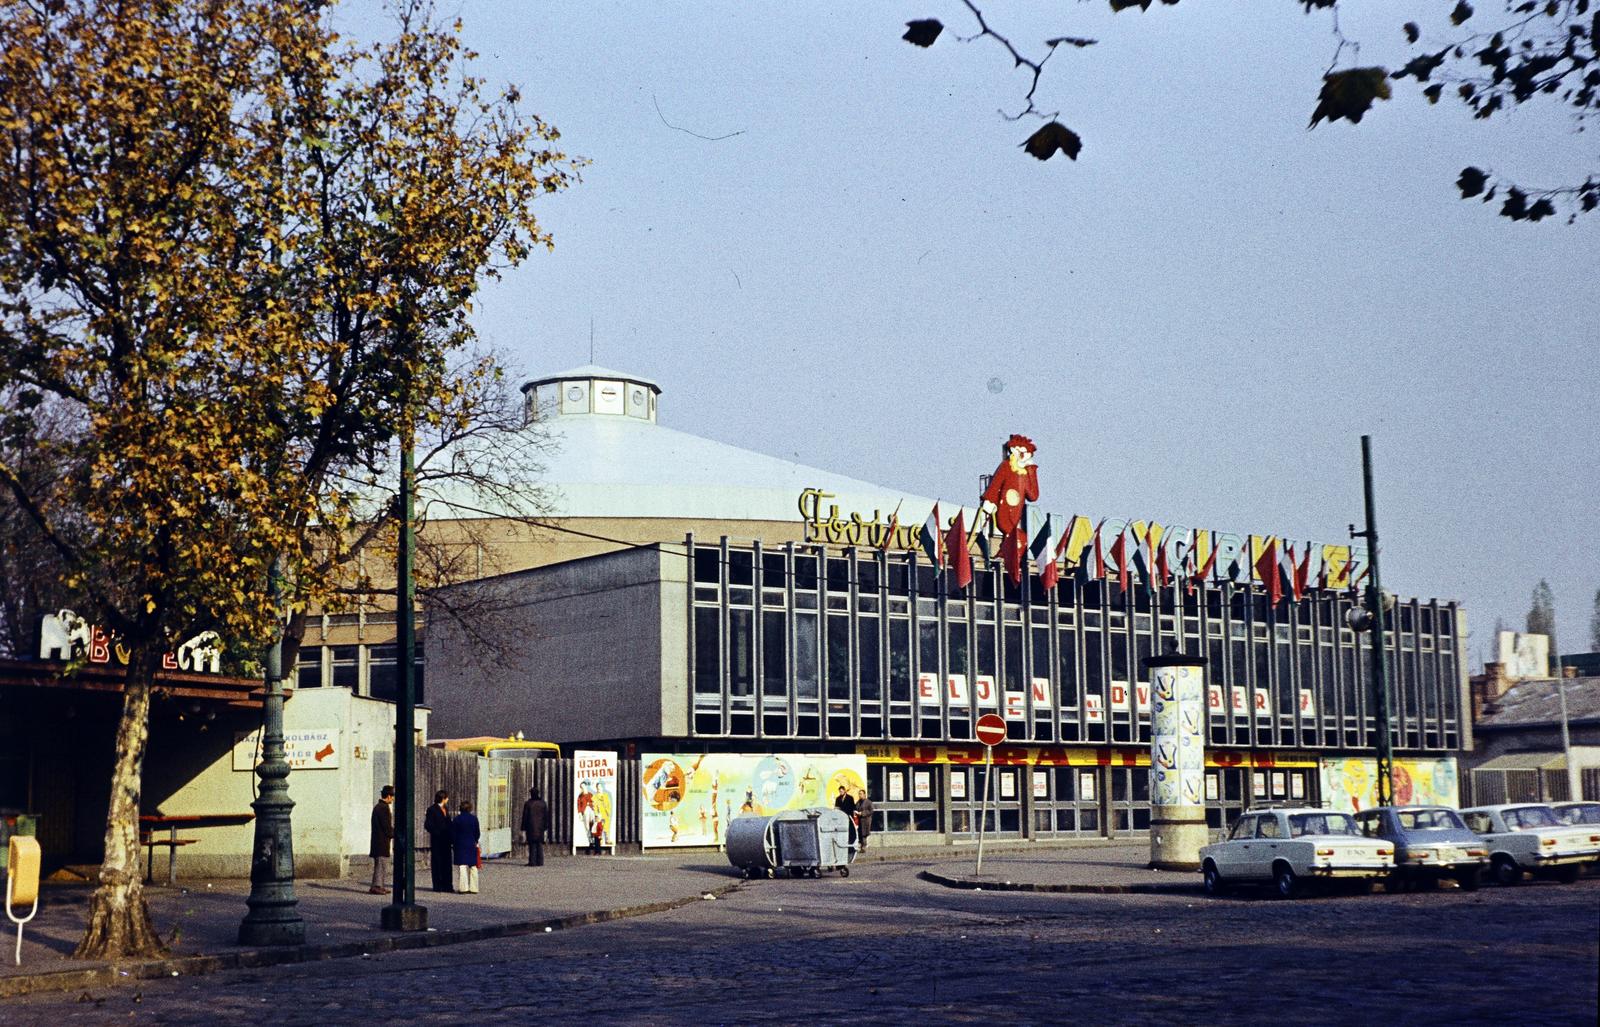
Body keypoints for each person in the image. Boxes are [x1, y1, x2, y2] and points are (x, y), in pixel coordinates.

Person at [368, 784, 395, 894]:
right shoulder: (383, 808)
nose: (393, 799)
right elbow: (386, 827)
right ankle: (377, 886)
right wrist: (394, 833)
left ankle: (380, 885)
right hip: (381, 841)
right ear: (388, 796)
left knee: (381, 864)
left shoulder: (379, 807)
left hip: (378, 841)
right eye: (392, 796)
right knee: (381, 864)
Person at [424, 789, 452, 893]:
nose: (447, 799)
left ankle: (447, 885)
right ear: (443, 798)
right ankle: (438, 885)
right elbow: (428, 825)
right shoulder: (432, 810)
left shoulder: (445, 809)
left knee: (447, 862)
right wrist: (437, 832)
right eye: (446, 798)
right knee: (437, 862)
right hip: (437, 839)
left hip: (446, 839)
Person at [451, 799, 481, 893]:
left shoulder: (457, 819)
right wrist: (475, 840)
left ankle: (463, 888)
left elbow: (453, 833)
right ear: (470, 809)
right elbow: (477, 832)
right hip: (471, 843)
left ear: (460, 808)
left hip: (460, 844)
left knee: (462, 866)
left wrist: (454, 842)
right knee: (473, 866)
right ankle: (474, 888)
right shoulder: (474, 819)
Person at [520, 788, 550, 867]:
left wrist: (523, 828)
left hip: (530, 827)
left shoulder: (528, 804)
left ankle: (532, 861)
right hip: (540, 828)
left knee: (532, 845)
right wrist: (546, 827)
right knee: (539, 844)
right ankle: (540, 861)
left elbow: (525, 817)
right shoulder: (543, 803)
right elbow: (546, 817)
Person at [855, 787, 874, 853]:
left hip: (866, 820)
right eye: (859, 794)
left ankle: (864, 847)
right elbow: (856, 808)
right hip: (860, 821)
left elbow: (871, 811)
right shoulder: (858, 802)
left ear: (864, 794)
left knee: (864, 834)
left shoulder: (868, 802)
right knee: (860, 834)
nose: (860, 795)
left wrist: (862, 813)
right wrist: (856, 812)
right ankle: (861, 846)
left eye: (861, 794)